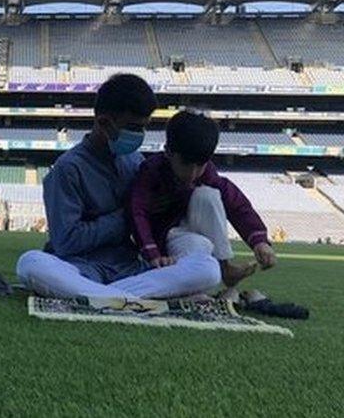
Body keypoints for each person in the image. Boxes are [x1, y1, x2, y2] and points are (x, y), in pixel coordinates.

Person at [16, 74, 222, 300]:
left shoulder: (136, 161)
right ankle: (126, 297)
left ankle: (105, 298)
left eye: (144, 128)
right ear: (104, 123)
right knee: (31, 262)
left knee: (208, 267)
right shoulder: (68, 169)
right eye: (133, 128)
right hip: (82, 269)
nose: (139, 135)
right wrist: (127, 216)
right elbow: (66, 242)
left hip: (131, 269)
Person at [130, 110, 276, 287]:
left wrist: (259, 242)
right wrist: (154, 255)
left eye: (200, 165)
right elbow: (138, 214)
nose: (192, 174)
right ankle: (200, 280)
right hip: (164, 238)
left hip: (189, 231)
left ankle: (224, 266)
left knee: (209, 195)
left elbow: (237, 205)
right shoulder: (151, 171)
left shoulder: (208, 174)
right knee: (199, 249)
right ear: (168, 152)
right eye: (185, 165)